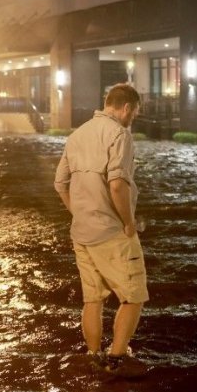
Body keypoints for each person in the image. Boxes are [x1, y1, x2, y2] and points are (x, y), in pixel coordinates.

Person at [54, 83, 148, 372]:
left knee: (92, 299)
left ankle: (93, 355)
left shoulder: (77, 134)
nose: (133, 118)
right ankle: (117, 358)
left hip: (81, 232)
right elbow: (118, 185)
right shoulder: (120, 135)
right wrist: (129, 223)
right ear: (127, 108)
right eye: (135, 113)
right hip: (111, 232)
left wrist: (79, 213)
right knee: (133, 296)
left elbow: (59, 184)